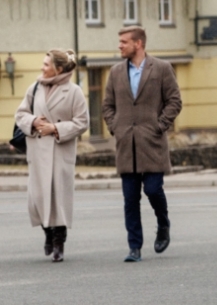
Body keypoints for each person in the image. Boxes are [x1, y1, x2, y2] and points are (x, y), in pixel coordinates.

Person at [102, 26, 183, 262]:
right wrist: (115, 126)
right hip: (126, 144)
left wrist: (160, 125)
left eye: (124, 42)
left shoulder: (161, 68)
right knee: (130, 199)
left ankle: (163, 224)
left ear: (138, 44)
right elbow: (107, 105)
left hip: (153, 142)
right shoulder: (115, 72)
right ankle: (134, 247)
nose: (119, 46)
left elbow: (174, 101)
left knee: (153, 189)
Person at [14, 50, 89, 262]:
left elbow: (82, 122)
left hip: (60, 152)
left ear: (59, 69)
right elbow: (20, 114)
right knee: (37, 199)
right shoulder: (35, 87)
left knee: (59, 200)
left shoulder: (74, 92)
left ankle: (58, 242)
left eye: (46, 64)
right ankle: (47, 232)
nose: (42, 67)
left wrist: (55, 128)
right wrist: (34, 122)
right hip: (37, 153)